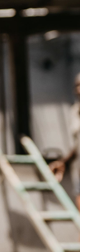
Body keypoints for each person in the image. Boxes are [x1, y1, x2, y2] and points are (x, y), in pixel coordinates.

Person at [49, 73, 80, 210]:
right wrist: (63, 162)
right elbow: (77, 144)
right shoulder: (75, 111)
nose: (79, 89)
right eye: (77, 86)